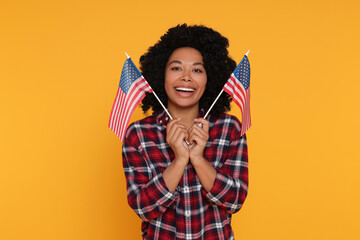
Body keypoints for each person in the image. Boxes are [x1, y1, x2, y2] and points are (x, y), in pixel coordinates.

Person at [122, 24, 248, 240]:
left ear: (210, 78)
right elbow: (143, 208)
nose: (186, 77)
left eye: (197, 70)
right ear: (161, 73)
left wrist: (198, 159)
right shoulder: (138, 134)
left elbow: (235, 200)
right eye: (176, 68)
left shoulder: (230, 128)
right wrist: (179, 160)